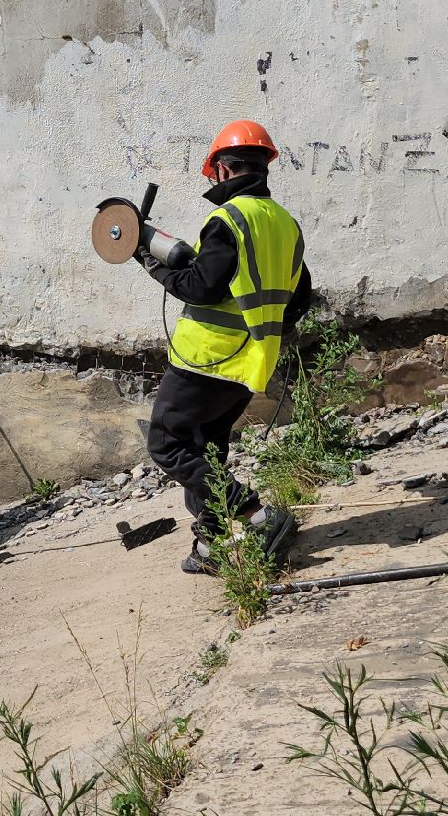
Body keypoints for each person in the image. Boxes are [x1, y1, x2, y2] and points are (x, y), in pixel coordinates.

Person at [137, 120, 312, 575]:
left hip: (207, 358)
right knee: (206, 449)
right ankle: (212, 547)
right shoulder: (285, 224)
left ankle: (256, 515)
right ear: (263, 165)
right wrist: (261, 327)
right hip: (251, 361)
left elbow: (200, 287)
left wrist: (150, 262)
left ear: (220, 169)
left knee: (167, 442)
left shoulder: (228, 219)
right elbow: (301, 297)